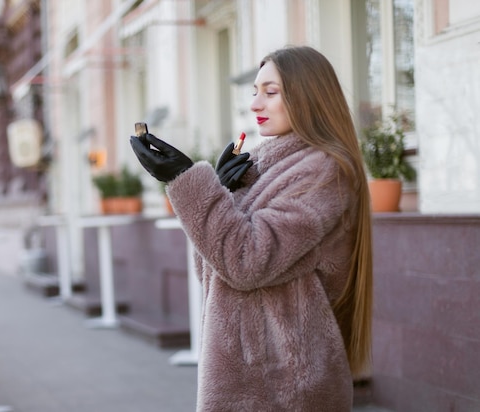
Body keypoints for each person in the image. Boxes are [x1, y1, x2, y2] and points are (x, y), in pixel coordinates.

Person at [130, 45, 372, 412]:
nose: (256, 105)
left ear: (310, 97)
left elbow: (245, 263)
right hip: (252, 379)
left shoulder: (324, 171)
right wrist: (226, 193)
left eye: (271, 92)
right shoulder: (262, 168)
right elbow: (214, 273)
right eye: (254, 92)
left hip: (284, 386)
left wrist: (186, 180)